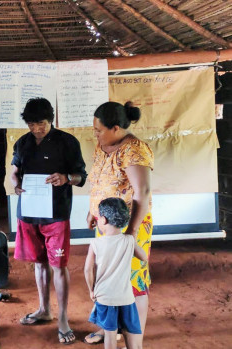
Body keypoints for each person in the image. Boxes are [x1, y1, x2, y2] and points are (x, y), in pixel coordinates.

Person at [10, 98, 87, 345]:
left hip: (56, 214)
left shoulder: (67, 142)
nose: (36, 129)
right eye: (32, 124)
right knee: (39, 264)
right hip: (29, 213)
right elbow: (14, 170)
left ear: (51, 119)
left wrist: (66, 178)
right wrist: (15, 181)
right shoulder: (23, 142)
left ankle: (63, 318)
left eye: (41, 123)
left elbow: (81, 176)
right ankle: (44, 309)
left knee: (58, 265)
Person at [84, 101, 154, 346]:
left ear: (115, 128)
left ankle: (136, 336)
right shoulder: (104, 146)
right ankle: (109, 329)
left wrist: (132, 233)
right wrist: (93, 210)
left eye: (99, 129)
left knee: (132, 279)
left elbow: (142, 193)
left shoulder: (135, 150)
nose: (96, 134)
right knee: (107, 277)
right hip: (105, 224)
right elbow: (99, 181)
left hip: (129, 226)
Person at [84, 197, 148, 349]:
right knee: (131, 333)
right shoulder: (129, 241)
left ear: (104, 220)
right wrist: (133, 240)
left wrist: (91, 290)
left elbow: (87, 269)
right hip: (126, 298)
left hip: (105, 298)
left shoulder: (95, 244)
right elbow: (144, 257)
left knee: (110, 336)